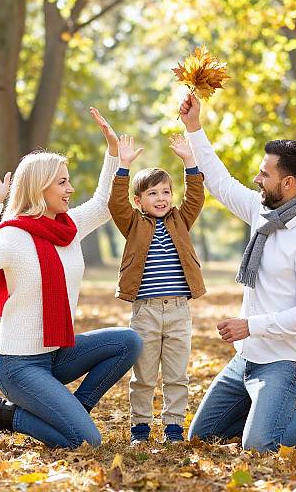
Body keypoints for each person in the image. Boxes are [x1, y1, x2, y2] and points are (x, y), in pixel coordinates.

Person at [178, 93, 296, 452]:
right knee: (199, 438)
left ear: (288, 184)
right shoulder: (264, 214)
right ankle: (270, 409)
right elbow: (220, 183)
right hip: (247, 356)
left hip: (285, 361)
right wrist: (194, 127)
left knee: (260, 446)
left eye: (265, 173)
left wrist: (251, 325)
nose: (257, 178)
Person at [0, 107, 142, 449]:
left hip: (57, 354)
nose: (71, 188)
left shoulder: (67, 228)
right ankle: (0, 414)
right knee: (86, 441)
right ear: (40, 187)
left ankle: (75, 410)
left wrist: (114, 154)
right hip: (19, 365)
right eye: (62, 182)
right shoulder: (13, 235)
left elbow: (105, 203)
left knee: (128, 341)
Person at [105, 125, 206, 444]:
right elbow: (116, 204)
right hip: (145, 312)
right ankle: (141, 429)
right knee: (144, 376)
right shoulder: (133, 222)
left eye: (165, 192)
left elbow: (197, 197)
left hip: (178, 311)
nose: (161, 198)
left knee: (177, 375)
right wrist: (123, 166)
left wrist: (191, 163)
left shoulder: (181, 220)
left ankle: (174, 429)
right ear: (139, 200)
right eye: (152, 193)